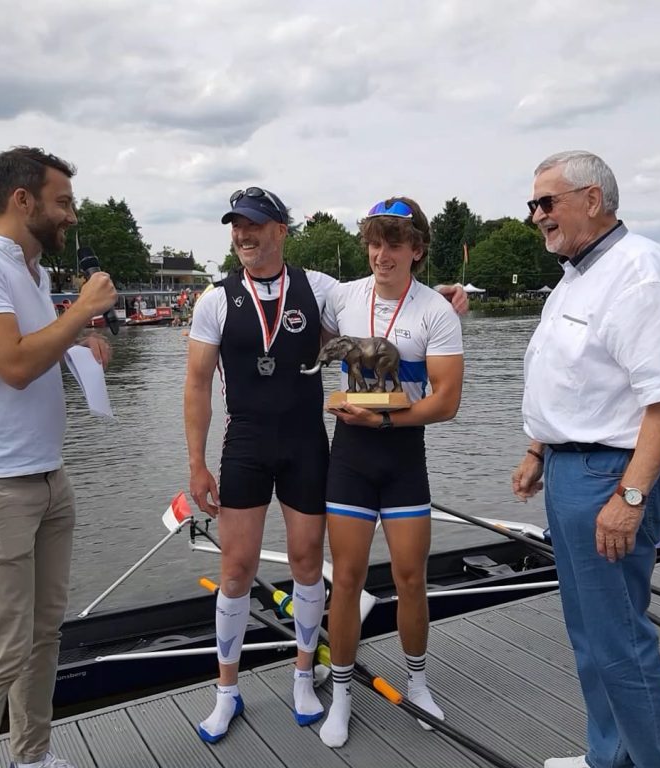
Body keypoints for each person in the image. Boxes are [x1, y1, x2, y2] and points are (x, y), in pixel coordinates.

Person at [184, 187, 468, 744]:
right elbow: (196, 384)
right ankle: (241, 692)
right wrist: (196, 462)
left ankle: (329, 678)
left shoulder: (320, 289)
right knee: (246, 568)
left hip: (324, 445)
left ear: (280, 231)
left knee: (337, 566)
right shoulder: (224, 299)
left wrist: (446, 297)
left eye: (256, 225)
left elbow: (398, 310)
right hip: (263, 445)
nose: (244, 235)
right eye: (236, 226)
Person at [0, 146, 116, 768]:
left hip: (47, 476)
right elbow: (11, 364)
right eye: (63, 203)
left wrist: (81, 344)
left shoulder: (32, 274)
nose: (71, 216)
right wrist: (83, 309)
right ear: (22, 199)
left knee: (42, 638)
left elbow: (35, 349)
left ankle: (31, 758)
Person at [511, 151, 660, 768]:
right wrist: (539, 447)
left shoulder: (640, 272)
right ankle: (608, 758)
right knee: (591, 635)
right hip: (573, 468)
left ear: (593, 200)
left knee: (617, 638)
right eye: (533, 204)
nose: (536, 215)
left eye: (547, 202)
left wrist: (631, 497)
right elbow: (579, 378)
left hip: (611, 477)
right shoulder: (578, 274)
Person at [317, 197, 463, 748]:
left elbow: (447, 402)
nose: (382, 254)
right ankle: (343, 692)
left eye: (394, 243)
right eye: (375, 243)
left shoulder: (436, 312)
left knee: (409, 580)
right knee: (347, 581)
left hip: (401, 457)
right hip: (350, 458)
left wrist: (383, 421)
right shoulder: (342, 295)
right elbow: (282, 285)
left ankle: (419, 683)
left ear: (416, 250)